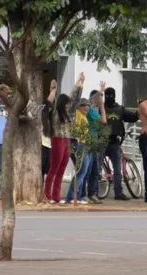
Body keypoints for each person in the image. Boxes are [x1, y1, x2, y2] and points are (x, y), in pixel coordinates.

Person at [44, 74, 87, 204]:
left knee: (62, 168)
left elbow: (75, 97)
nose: (70, 105)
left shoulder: (68, 113)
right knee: (54, 169)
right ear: (64, 103)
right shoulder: (56, 112)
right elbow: (50, 102)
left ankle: (57, 196)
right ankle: (48, 195)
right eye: (67, 103)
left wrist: (79, 83)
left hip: (67, 140)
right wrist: (53, 90)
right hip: (57, 139)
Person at [64, 97, 102, 204]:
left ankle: (78, 196)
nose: (86, 111)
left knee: (84, 172)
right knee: (81, 171)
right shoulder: (76, 114)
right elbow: (77, 101)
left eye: (87, 109)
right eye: (84, 109)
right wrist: (80, 85)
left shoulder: (84, 117)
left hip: (85, 144)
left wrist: (100, 95)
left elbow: (92, 103)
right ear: (79, 107)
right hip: (79, 144)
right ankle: (71, 197)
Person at [104, 87, 139, 200]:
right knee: (113, 169)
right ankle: (115, 193)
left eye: (110, 95)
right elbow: (132, 117)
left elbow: (132, 117)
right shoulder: (103, 108)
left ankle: (117, 193)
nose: (109, 97)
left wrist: (139, 111)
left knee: (117, 169)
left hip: (112, 142)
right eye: (107, 95)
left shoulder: (118, 109)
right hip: (104, 142)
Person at [81, 86, 107, 204]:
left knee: (95, 169)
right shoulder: (91, 110)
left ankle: (92, 193)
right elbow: (104, 121)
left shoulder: (93, 110)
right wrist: (102, 106)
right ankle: (85, 194)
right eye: (99, 98)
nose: (101, 100)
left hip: (95, 141)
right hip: (90, 142)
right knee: (89, 169)